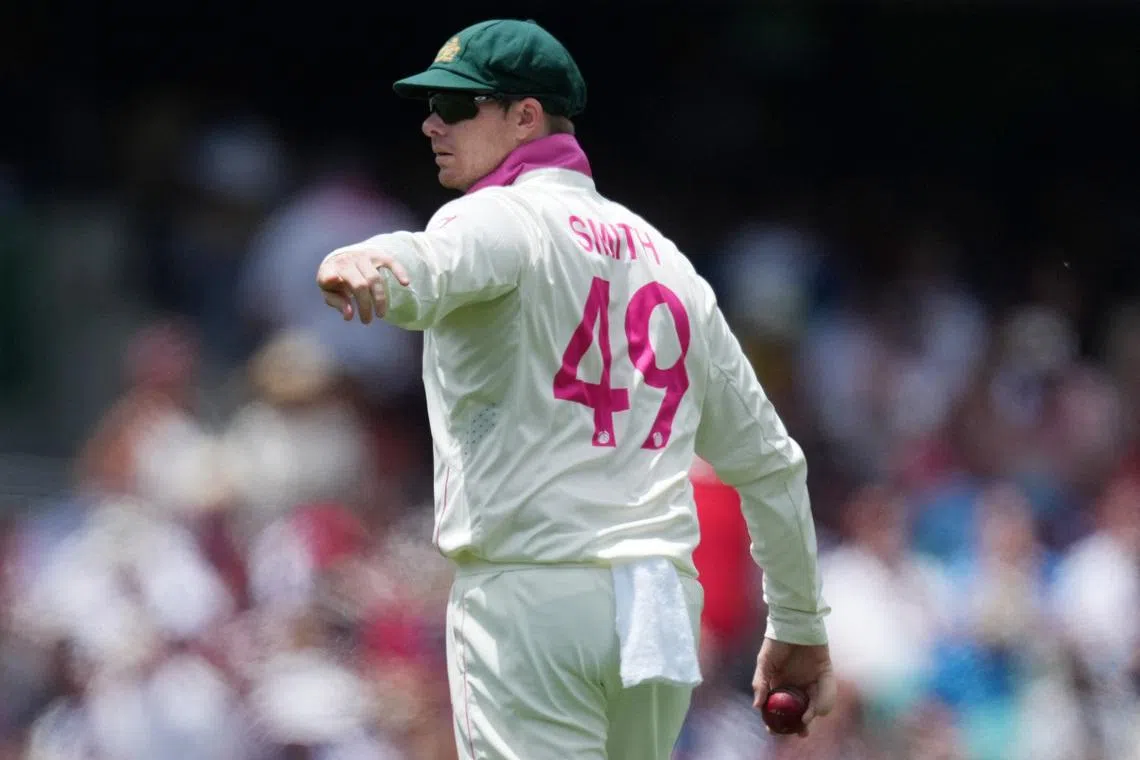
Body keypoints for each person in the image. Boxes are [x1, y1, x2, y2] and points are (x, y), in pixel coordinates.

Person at [316, 18, 835, 760]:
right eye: (431, 105)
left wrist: (363, 258)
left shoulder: (498, 218)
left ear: (526, 116)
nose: (432, 122)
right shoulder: (668, 261)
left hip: (533, 597)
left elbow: (431, 261)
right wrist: (799, 626)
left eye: (458, 106)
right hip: (657, 613)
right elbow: (771, 463)